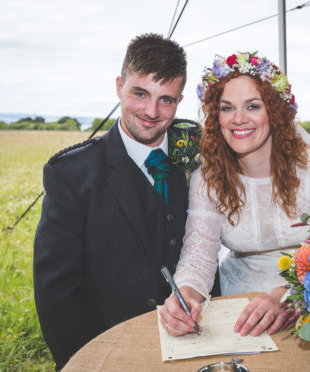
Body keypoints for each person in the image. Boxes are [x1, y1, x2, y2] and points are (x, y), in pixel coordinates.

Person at [33, 33, 200, 369]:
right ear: (119, 86)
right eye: (140, 93)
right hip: (113, 349)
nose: (152, 112)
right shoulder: (71, 174)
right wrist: (88, 363)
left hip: (196, 340)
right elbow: (57, 293)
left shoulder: (199, 149)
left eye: (166, 99)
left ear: (179, 100)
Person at [159, 52, 310, 338]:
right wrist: (185, 296)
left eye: (253, 106)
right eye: (227, 108)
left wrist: (285, 296)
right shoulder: (206, 178)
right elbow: (199, 256)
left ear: (275, 111)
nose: (239, 119)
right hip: (239, 311)